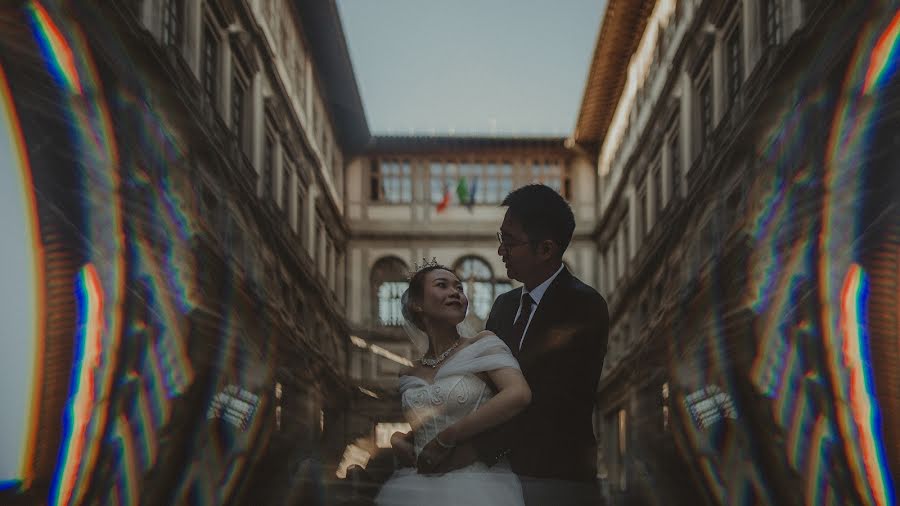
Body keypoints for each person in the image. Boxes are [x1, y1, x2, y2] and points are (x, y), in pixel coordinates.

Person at [418, 184, 610, 506]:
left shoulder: (584, 306)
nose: (500, 252)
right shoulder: (504, 306)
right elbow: (489, 389)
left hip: (556, 480)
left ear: (546, 249)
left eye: (510, 242)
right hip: (499, 480)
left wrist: (463, 445)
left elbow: (548, 400)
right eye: (500, 239)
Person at [375, 261, 531, 506]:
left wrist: (447, 437)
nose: (455, 292)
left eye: (459, 288)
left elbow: (518, 394)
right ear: (417, 304)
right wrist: (399, 438)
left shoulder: (483, 344)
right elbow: (429, 421)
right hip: (417, 486)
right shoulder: (409, 372)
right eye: (442, 285)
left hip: (477, 486)